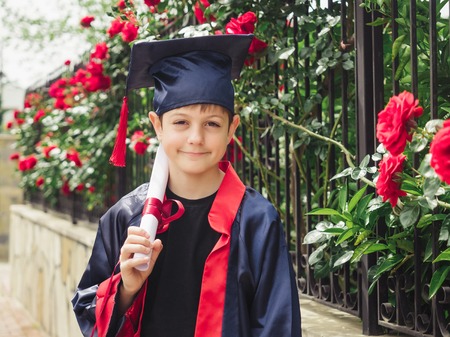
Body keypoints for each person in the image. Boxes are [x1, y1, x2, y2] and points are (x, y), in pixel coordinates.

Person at [72, 34, 302, 337]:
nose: (196, 137)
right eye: (181, 122)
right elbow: (88, 310)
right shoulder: (127, 216)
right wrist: (126, 288)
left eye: (212, 124)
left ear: (232, 129)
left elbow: (278, 326)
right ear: (157, 125)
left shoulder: (256, 221)